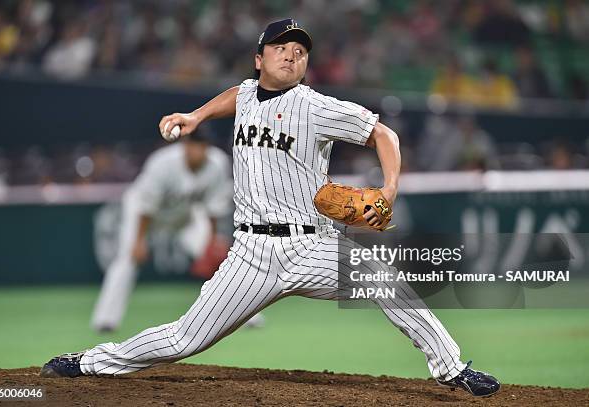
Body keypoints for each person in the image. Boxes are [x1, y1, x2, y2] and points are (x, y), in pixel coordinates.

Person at [40, 18, 500, 398]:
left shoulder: (314, 106)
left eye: (300, 50)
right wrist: (197, 116)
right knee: (184, 338)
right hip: (251, 255)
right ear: (260, 59)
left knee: (384, 281)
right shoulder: (244, 94)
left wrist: (390, 189)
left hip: (311, 246)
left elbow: (384, 134)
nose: (292, 54)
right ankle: (89, 362)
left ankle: (451, 368)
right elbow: (236, 96)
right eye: (281, 47)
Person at [91, 129, 264, 332]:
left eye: (200, 145)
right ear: (184, 145)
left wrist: (211, 241)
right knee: (126, 260)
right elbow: (146, 205)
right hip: (144, 215)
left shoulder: (217, 164)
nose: (195, 150)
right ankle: (105, 320)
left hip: (185, 215)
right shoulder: (163, 163)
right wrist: (139, 242)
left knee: (222, 261)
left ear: (207, 148)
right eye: (191, 144)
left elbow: (214, 208)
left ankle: (248, 315)